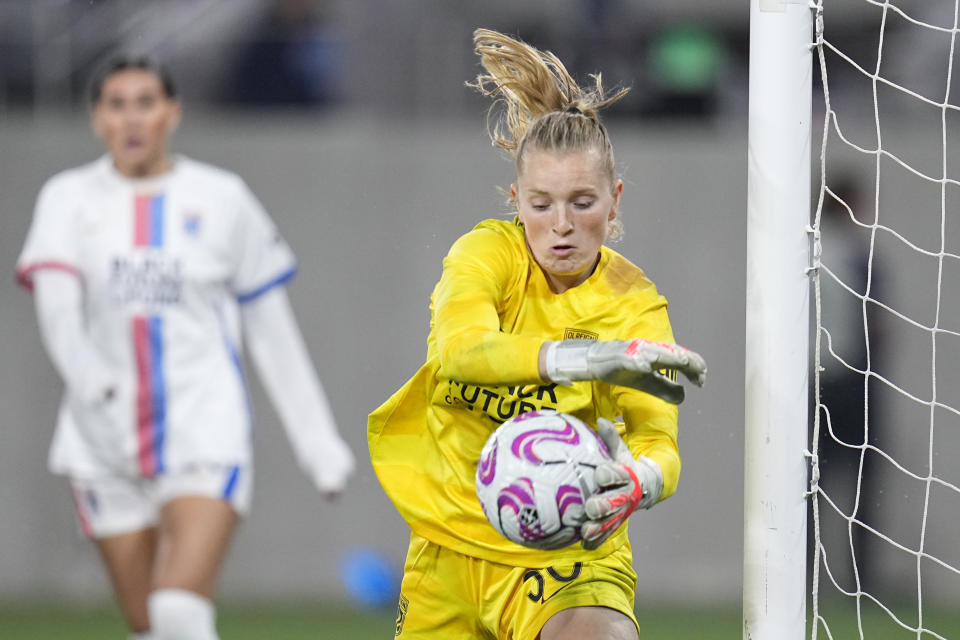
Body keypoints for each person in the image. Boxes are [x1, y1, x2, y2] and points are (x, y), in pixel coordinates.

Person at [368, 29, 707, 640]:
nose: (561, 227)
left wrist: (641, 482)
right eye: (541, 203)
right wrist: (589, 360)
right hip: (447, 551)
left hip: (571, 556)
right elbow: (462, 355)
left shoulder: (634, 305)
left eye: (582, 202)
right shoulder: (485, 256)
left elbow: (660, 443)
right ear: (516, 200)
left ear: (614, 200)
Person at [16, 56, 355, 640]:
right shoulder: (66, 199)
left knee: (179, 609)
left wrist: (317, 441)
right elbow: (57, 309)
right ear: (96, 117)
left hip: (205, 429)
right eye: (116, 104)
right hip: (101, 444)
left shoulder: (223, 199)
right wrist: (88, 375)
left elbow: (271, 330)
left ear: (172, 111)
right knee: (149, 624)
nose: (132, 118)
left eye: (145, 102)